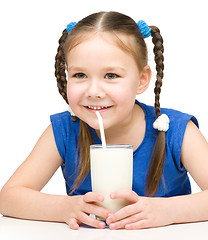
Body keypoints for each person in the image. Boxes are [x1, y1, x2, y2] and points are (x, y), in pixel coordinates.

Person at [0, 11, 208, 231]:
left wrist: (169, 211)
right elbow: (9, 197)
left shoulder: (176, 130)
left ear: (142, 80)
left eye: (111, 76)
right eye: (80, 75)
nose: (93, 91)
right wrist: (63, 207)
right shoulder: (64, 130)